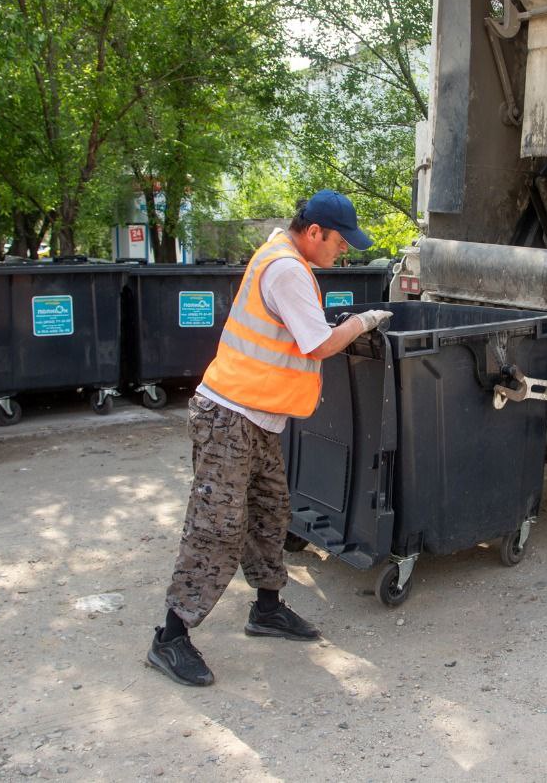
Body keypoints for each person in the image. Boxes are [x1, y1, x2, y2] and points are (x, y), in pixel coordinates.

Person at [147, 190, 393, 687]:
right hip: (230, 418)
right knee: (216, 527)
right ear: (315, 232)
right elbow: (320, 343)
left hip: (257, 419)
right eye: (340, 241)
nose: (343, 251)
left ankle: (266, 609)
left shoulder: (282, 256)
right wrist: (365, 321)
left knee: (270, 513)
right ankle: (169, 638)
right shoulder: (285, 268)